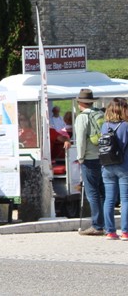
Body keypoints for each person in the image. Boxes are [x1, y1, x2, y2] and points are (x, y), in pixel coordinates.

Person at [74, 88, 105, 236]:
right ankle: (106, 224)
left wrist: (80, 158)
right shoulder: (100, 113)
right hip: (104, 157)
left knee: (92, 193)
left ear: (80, 102)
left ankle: (97, 225)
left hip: (89, 158)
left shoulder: (82, 117)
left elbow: (80, 141)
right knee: (103, 192)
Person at [100, 98, 128, 240]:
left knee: (109, 199)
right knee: (125, 200)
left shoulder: (105, 126)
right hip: (124, 166)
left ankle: (110, 231)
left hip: (107, 165)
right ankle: (125, 232)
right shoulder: (126, 126)